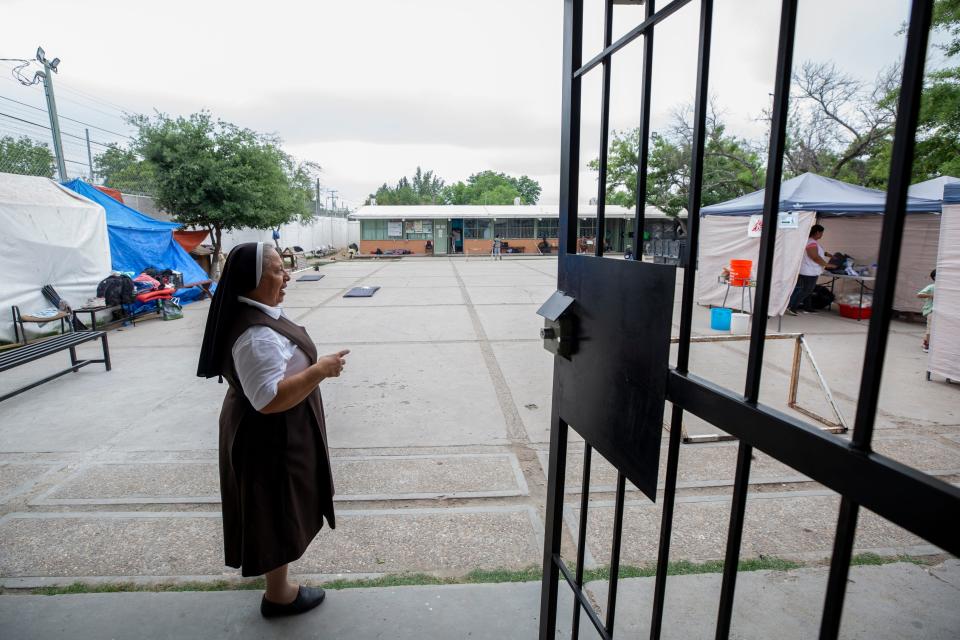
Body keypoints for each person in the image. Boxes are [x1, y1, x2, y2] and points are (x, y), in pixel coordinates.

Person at [197, 242, 350, 618]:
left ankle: (273, 575)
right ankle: (279, 595)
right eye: (278, 269)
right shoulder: (256, 334)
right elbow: (267, 399)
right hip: (270, 435)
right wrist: (319, 371)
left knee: (273, 504)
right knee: (275, 507)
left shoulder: (257, 314)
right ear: (252, 279)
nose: (287, 277)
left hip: (274, 431)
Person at [787, 224, 832, 315]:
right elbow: (814, 256)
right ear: (817, 232)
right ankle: (792, 307)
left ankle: (807, 307)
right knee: (807, 290)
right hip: (809, 271)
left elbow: (818, 252)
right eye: (821, 233)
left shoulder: (808, 241)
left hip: (805, 270)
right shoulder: (811, 242)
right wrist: (827, 265)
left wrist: (827, 254)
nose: (822, 235)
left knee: (805, 290)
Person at [918, 269, 936, 352]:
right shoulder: (932, 286)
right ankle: (927, 346)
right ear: (935, 277)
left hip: (936, 311)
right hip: (931, 311)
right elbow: (919, 294)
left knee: (931, 328)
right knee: (930, 328)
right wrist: (931, 296)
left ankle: (925, 342)